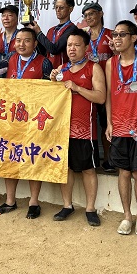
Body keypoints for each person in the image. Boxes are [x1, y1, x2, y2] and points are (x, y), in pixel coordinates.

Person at [0, 27, 52, 218]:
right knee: (10, 157)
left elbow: (53, 93)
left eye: (26, 41)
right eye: (18, 40)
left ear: (34, 44)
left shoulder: (44, 62)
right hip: (12, 119)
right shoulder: (10, 58)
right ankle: (10, 200)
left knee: (33, 158)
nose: (21, 44)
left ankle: (34, 201)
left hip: (33, 121)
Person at [105, 20, 137, 236]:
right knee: (123, 173)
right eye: (115, 35)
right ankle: (127, 216)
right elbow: (108, 95)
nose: (116, 38)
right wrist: (109, 122)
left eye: (122, 35)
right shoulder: (110, 64)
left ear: (134, 38)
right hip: (118, 127)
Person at [49, 29, 106, 226]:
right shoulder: (62, 68)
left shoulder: (94, 68)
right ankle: (67, 205)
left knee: (88, 169)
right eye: (69, 45)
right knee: (66, 169)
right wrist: (52, 81)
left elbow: (101, 97)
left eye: (76, 45)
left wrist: (78, 87)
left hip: (85, 130)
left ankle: (90, 208)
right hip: (62, 129)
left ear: (86, 47)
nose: (72, 49)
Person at [81, 2, 115, 173]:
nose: (89, 17)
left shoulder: (110, 35)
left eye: (92, 13)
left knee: (108, 124)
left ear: (101, 14)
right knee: (89, 123)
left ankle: (110, 160)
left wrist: (115, 50)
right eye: (85, 15)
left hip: (109, 87)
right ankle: (88, 159)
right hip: (88, 88)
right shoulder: (82, 37)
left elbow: (122, 57)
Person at [31, 0, 77, 68]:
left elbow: (55, 49)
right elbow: (43, 52)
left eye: (61, 8)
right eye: (56, 7)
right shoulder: (51, 30)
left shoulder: (72, 29)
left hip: (64, 71)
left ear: (70, 9)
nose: (58, 10)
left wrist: (39, 32)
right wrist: (34, 33)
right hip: (49, 71)